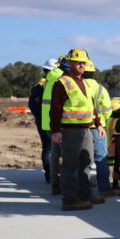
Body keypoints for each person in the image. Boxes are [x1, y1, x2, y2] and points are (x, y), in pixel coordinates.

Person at [49, 49, 104, 211]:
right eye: (78, 62)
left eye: (84, 63)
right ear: (70, 63)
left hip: (86, 128)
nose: (82, 65)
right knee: (70, 166)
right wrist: (56, 130)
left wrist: (98, 123)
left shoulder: (84, 82)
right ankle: (70, 200)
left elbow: (90, 105)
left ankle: (85, 194)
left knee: (86, 163)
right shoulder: (62, 82)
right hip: (70, 130)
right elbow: (56, 108)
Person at [84, 61, 114, 198]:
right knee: (101, 158)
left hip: (79, 127)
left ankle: (82, 189)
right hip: (97, 128)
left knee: (82, 159)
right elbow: (107, 109)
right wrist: (102, 121)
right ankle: (104, 189)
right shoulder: (100, 89)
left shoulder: (76, 87)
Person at [28, 57, 59, 184]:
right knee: (51, 149)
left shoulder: (38, 85)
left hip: (42, 121)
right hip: (50, 121)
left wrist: (39, 117)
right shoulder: (53, 83)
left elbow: (32, 104)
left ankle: (49, 175)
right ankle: (53, 175)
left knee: (47, 148)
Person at [40, 55, 67, 194]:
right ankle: (68, 186)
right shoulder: (62, 79)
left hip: (48, 123)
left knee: (54, 153)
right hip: (60, 123)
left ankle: (54, 183)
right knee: (67, 155)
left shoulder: (50, 79)